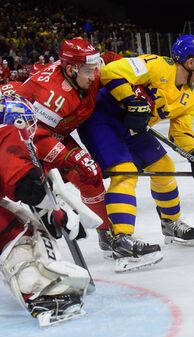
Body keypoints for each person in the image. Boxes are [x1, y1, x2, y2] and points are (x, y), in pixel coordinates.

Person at [78, 34, 194, 271]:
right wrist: (130, 99)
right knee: (125, 173)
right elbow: (113, 71)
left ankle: (170, 222)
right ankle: (120, 239)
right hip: (103, 121)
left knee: (164, 166)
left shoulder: (190, 98)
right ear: (190, 62)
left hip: (133, 128)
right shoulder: (156, 64)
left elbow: (181, 133)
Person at [4, 38, 116, 257]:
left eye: (94, 69)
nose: (94, 76)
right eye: (88, 71)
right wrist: (68, 158)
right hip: (30, 140)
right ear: (72, 69)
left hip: (55, 133)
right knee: (47, 193)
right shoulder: (53, 95)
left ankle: (107, 235)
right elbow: (35, 135)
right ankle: (41, 246)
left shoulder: (82, 72)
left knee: (91, 174)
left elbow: (112, 62)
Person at [0, 95, 92, 327]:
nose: (31, 130)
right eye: (28, 123)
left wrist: (51, 212)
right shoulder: (7, 133)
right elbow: (26, 187)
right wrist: (57, 212)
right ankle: (39, 295)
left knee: (24, 222)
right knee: (16, 234)